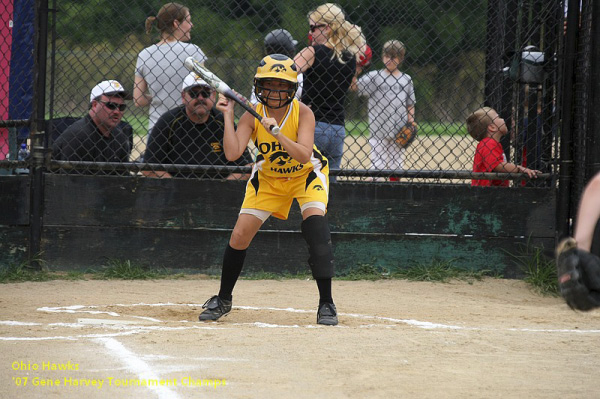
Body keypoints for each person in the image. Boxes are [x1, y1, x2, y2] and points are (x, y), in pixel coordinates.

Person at [198, 54, 338, 326]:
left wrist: (277, 134)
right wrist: (228, 116)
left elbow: (303, 154)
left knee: (316, 227)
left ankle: (327, 303)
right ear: (259, 87)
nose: (275, 92)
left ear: (292, 88)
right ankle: (223, 298)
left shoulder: (304, 113)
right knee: (239, 235)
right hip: (269, 179)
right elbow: (232, 153)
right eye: (269, 85)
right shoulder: (252, 114)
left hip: (306, 176)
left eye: (282, 85)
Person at [294, 3, 365, 177]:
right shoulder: (350, 58)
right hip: (337, 128)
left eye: (313, 28)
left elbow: (283, 71)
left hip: (312, 124)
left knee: (303, 180)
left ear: (326, 28)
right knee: (327, 184)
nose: (310, 33)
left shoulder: (312, 52)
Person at [143, 72, 252, 179]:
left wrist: (222, 188)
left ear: (213, 96)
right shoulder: (168, 121)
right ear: (183, 97)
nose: (200, 98)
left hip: (218, 191)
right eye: (194, 93)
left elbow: (247, 166)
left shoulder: (223, 122)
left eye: (205, 93)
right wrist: (177, 187)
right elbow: (148, 168)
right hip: (177, 192)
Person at [134, 2, 207, 137]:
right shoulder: (193, 51)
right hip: (188, 129)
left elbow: (139, 100)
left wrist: (159, 97)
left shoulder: (144, 54)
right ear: (176, 23)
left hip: (157, 129)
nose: (191, 26)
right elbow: (204, 92)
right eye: (189, 21)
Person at [353, 40, 415, 180]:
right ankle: (376, 184)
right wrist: (354, 71)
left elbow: (410, 104)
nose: (389, 60)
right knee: (377, 162)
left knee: (396, 163)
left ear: (401, 58)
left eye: (393, 57)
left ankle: (394, 187)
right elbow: (355, 87)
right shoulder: (375, 77)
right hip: (378, 127)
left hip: (399, 128)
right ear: (382, 57)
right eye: (387, 56)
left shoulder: (406, 79)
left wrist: (410, 123)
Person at [52, 80, 131, 174]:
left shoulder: (119, 137)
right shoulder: (78, 137)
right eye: (111, 105)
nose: (117, 111)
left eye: (121, 107)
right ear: (94, 105)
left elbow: (124, 180)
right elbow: (70, 184)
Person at [466, 107, 541, 186]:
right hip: (487, 193)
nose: (503, 119)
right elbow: (497, 165)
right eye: (498, 117)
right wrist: (519, 169)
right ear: (492, 127)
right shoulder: (488, 143)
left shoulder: (491, 143)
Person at [250, 29, 301, 105]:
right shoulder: (298, 76)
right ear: (290, 51)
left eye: (282, 85)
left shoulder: (263, 76)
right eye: (269, 84)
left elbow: (254, 104)